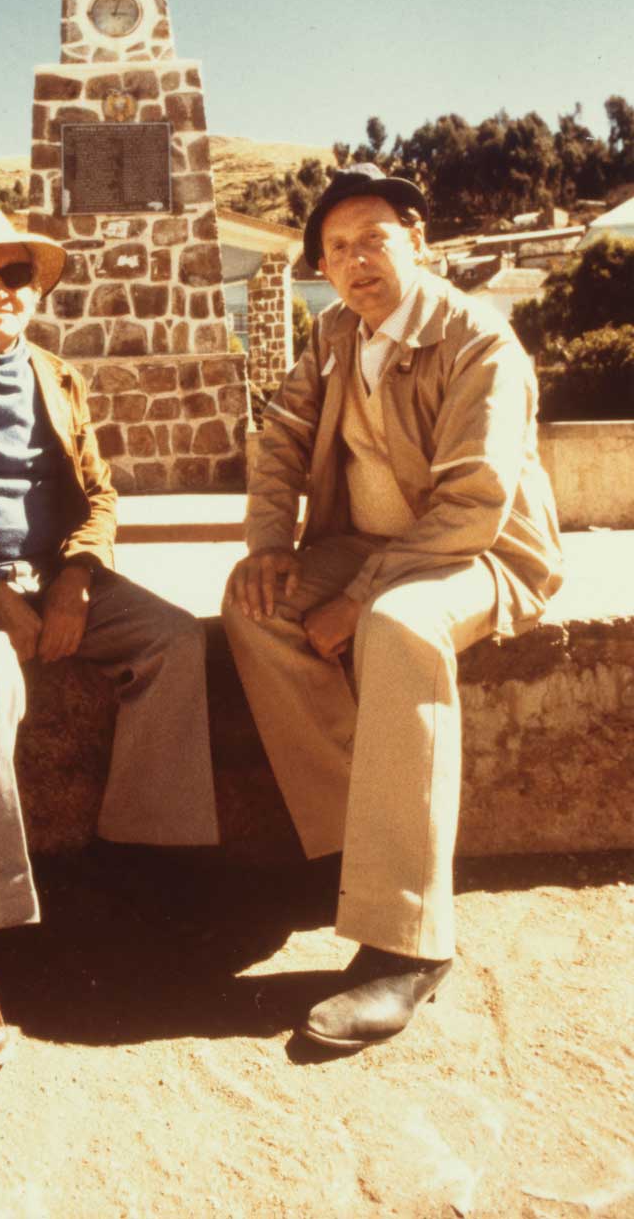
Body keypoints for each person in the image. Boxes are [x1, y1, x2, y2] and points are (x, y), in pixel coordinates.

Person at [0, 195, 218, 1077]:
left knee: (175, 642)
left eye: (15, 272)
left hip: (58, 578)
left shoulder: (60, 376)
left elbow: (100, 497)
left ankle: (140, 868)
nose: (0, 290)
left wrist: (78, 579)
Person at [223, 163, 562, 1051]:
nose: (355, 260)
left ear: (418, 242)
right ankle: (353, 857)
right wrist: (268, 545)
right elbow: (282, 439)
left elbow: (475, 501)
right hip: (367, 549)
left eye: (373, 238)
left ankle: (410, 943)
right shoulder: (336, 334)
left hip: (476, 552)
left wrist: (363, 596)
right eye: (337, 249)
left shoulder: (479, 340)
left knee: (401, 627)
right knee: (253, 602)